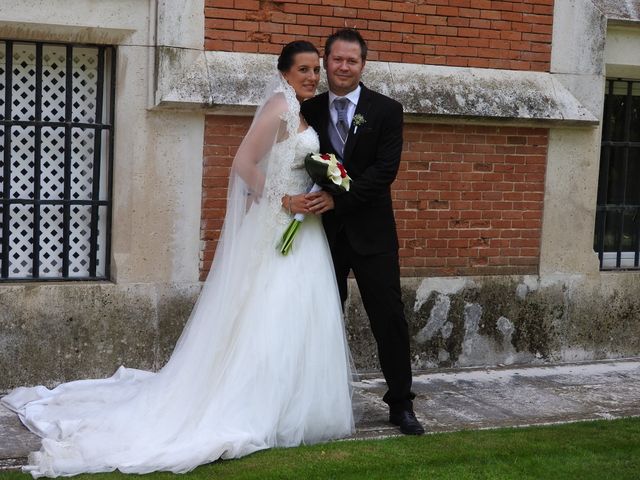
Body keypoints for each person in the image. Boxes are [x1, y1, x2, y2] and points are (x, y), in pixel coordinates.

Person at [1, 41, 355, 477]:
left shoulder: (302, 111)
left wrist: (321, 188)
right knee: (267, 316)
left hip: (303, 232)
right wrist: (283, 199)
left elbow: (296, 162)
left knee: (300, 318)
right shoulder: (279, 108)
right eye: (303, 69)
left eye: (315, 70)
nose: (312, 77)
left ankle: (295, 405)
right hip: (278, 225)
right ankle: (256, 405)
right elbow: (243, 164)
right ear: (283, 72)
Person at [301, 29, 425, 435]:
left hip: (373, 235)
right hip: (324, 235)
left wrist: (341, 200)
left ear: (362, 65)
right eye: (336, 59)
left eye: (351, 61)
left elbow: (384, 172)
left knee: (389, 318)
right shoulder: (310, 108)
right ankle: (321, 400)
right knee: (322, 318)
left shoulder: (387, 110)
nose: (343, 67)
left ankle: (401, 404)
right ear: (327, 60)